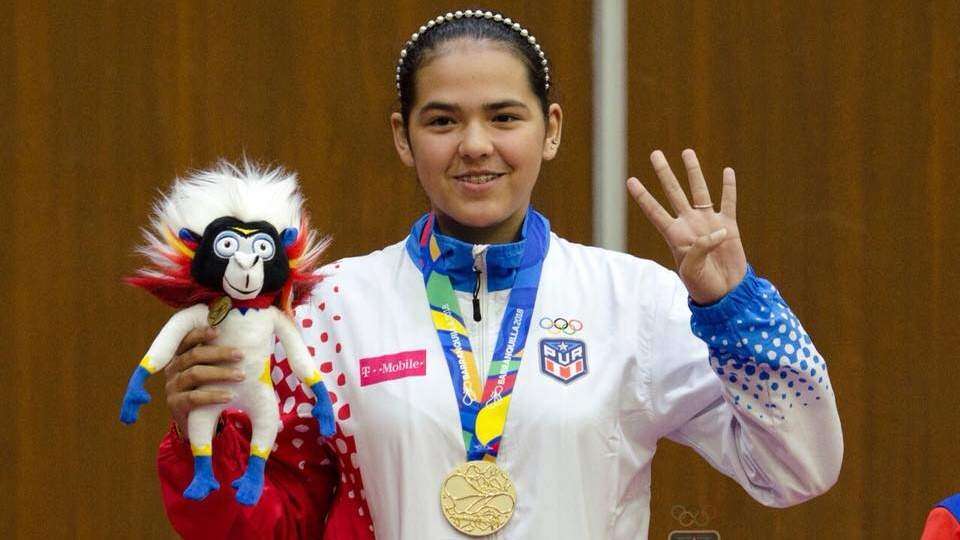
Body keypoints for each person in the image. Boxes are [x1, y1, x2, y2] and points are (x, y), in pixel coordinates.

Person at [156, 9, 843, 539]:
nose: (475, 145)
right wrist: (207, 435)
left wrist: (733, 307)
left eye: (504, 116)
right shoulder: (329, 308)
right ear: (404, 137)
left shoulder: (635, 301)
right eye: (443, 120)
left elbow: (797, 471)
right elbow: (275, 523)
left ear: (551, 129)